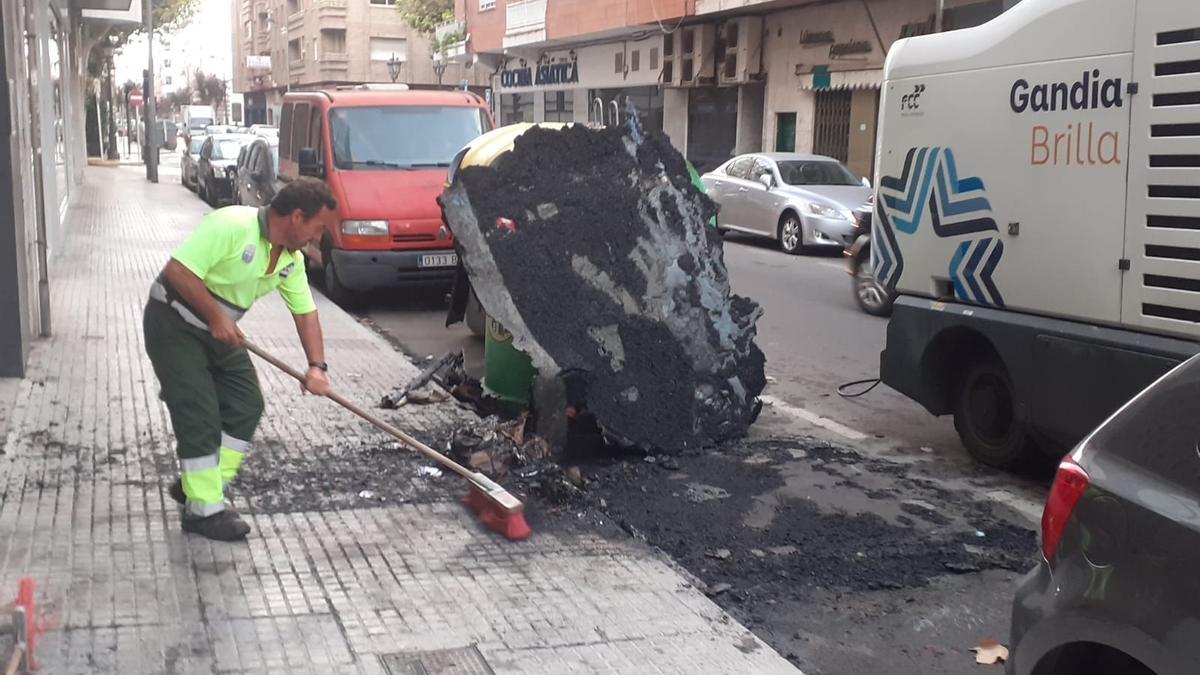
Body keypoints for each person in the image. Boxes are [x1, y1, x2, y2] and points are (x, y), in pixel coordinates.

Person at [143, 177, 338, 541]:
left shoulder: (290, 261)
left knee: (247, 403)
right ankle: (203, 512)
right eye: (319, 227)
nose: (319, 237)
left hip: (220, 331)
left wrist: (317, 366)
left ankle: (202, 486)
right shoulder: (232, 224)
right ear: (297, 217)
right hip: (174, 323)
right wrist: (216, 318)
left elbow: (305, 313)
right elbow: (178, 271)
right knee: (198, 410)